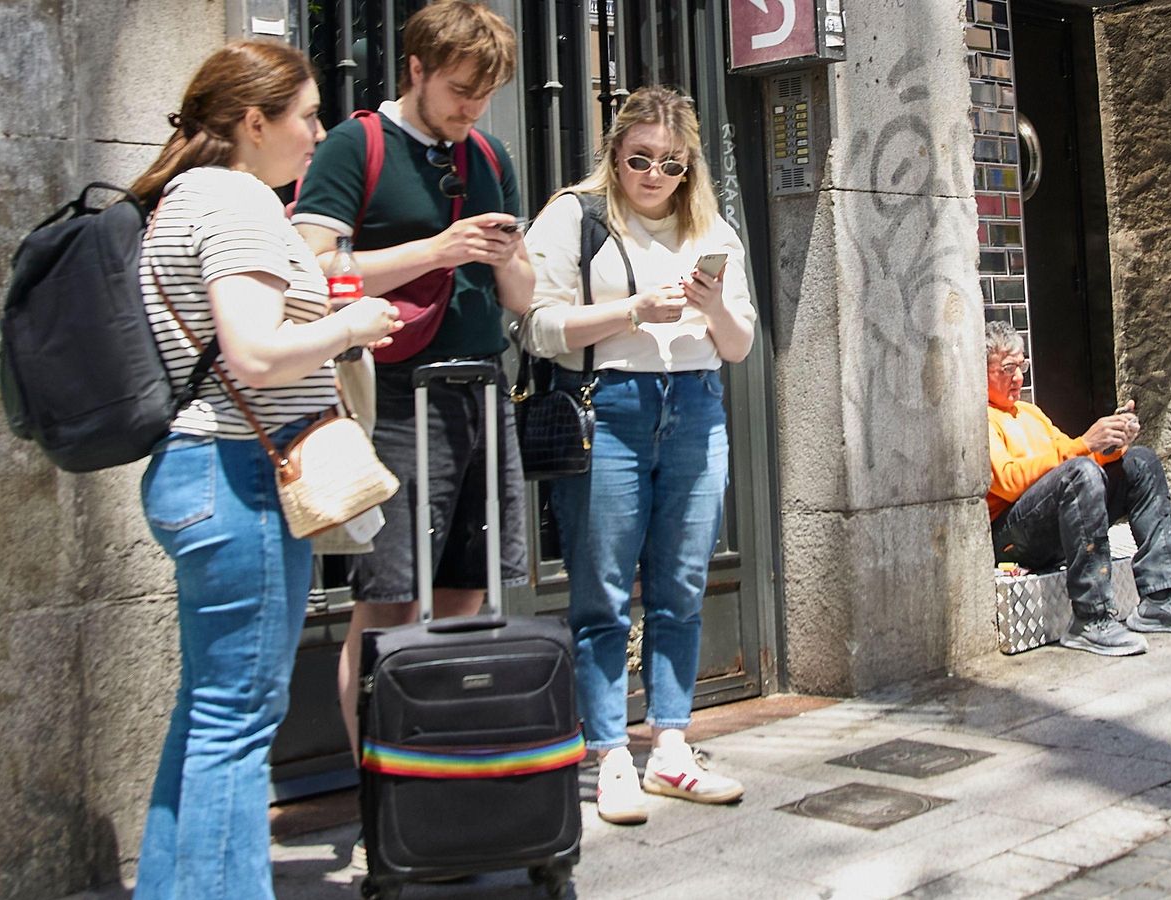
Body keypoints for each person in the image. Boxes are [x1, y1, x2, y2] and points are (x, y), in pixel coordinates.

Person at [129, 40, 402, 899]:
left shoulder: (181, 198)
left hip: (199, 470)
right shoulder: (237, 200)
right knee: (238, 723)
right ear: (254, 121)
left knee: (209, 712)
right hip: (238, 471)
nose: (319, 134)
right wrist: (352, 331)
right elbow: (253, 353)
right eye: (308, 115)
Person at [290, 0, 532, 788]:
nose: (472, 107)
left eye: (486, 93)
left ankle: (443, 784)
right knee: (390, 602)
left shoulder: (490, 153)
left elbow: (523, 298)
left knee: (466, 591)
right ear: (417, 70)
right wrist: (437, 248)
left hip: (480, 391)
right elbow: (312, 270)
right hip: (391, 395)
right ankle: (382, 794)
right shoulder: (353, 145)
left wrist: (506, 258)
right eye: (461, 89)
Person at [521, 86, 757, 825]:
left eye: (672, 164)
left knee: (681, 585)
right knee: (602, 591)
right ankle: (608, 754)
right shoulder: (575, 216)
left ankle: (672, 747)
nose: (654, 176)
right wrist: (633, 311)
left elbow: (741, 344)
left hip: (694, 405)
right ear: (614, 153)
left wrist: (711, 303)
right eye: (639, 160)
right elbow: (538, 327)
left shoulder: (710, 227)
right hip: (610, 407)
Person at [984, 320, 1171, 657]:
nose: (1018, 377)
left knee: (1140, 463)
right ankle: (1091, 618)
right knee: (1080, 472)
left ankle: (1162, 598)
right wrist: (1085, 446)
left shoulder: (1030, 413)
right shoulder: (981, 418)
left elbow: (1070, 455)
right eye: (1007, 368)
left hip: (1053, 522)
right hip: (1012, 538)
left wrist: (1111, 444)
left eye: (1021, 365)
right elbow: (1008, 481)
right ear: (982, 372)